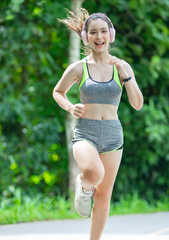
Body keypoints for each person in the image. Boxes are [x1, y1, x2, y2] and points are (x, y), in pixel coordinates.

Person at [53, 8, 143, 240]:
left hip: (113, 135)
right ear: (86, 37)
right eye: (93, 32)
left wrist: (126, 75)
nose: (99, 36)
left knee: (103, 197)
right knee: (94, 173)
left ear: (110, 35)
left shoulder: (121, 67)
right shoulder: (78, 68)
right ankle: (83, 184)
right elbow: (58, 92)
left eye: (103, 31)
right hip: (86, 132)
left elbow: (137, 104)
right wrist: (71, 107)